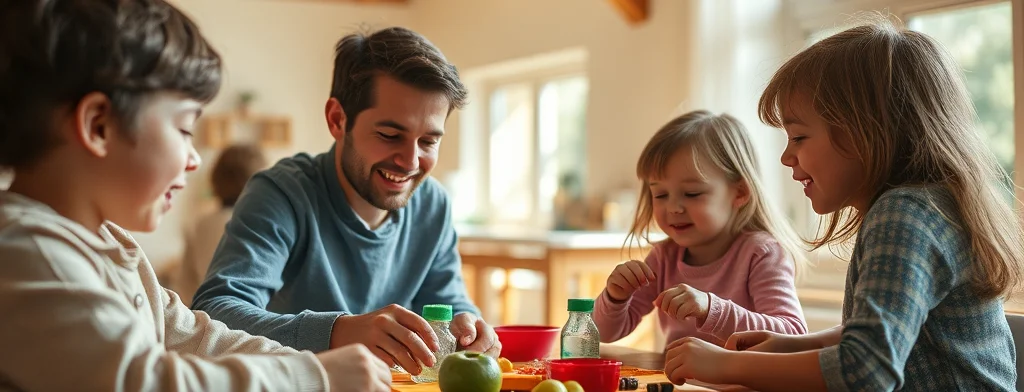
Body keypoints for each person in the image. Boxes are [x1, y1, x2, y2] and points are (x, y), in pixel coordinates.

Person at [0, 1, 390, 390]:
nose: (194, 159)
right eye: (185, 129)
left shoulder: (111, 243)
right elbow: (147, 382)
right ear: (99, 126)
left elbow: (197, 337)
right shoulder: (28, 256)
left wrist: (309, 362)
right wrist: (316, 376)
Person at [663, 17, 1023, 391]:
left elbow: (866, 371)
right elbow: (891, 329)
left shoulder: (904, 216)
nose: (786, 157)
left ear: (866, 132)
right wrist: (792, 344)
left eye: (798, 137)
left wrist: (726, 366)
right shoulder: (926, 207)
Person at [192, 26, 499, 375]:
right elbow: (214, 314)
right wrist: (337, 331)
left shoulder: (433, 205)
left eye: (428, 141)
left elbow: (448, 307)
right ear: (337, 120)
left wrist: (469, 330)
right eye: (389, 135)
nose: (410, 162)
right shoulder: (281, 194)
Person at [592, 110, 807, 349]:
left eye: (692, 193)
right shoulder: (664, 258)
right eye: (660, 194)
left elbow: (792, 334)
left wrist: (711, 310)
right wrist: (615, 297)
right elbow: (603, 333)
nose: (673, 208)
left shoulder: (761, 253)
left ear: (739, 192)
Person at [177, 144, 268, 306]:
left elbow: (185, 286)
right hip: (251, 316)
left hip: (206, 314)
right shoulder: (261, 224)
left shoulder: (200, 225)